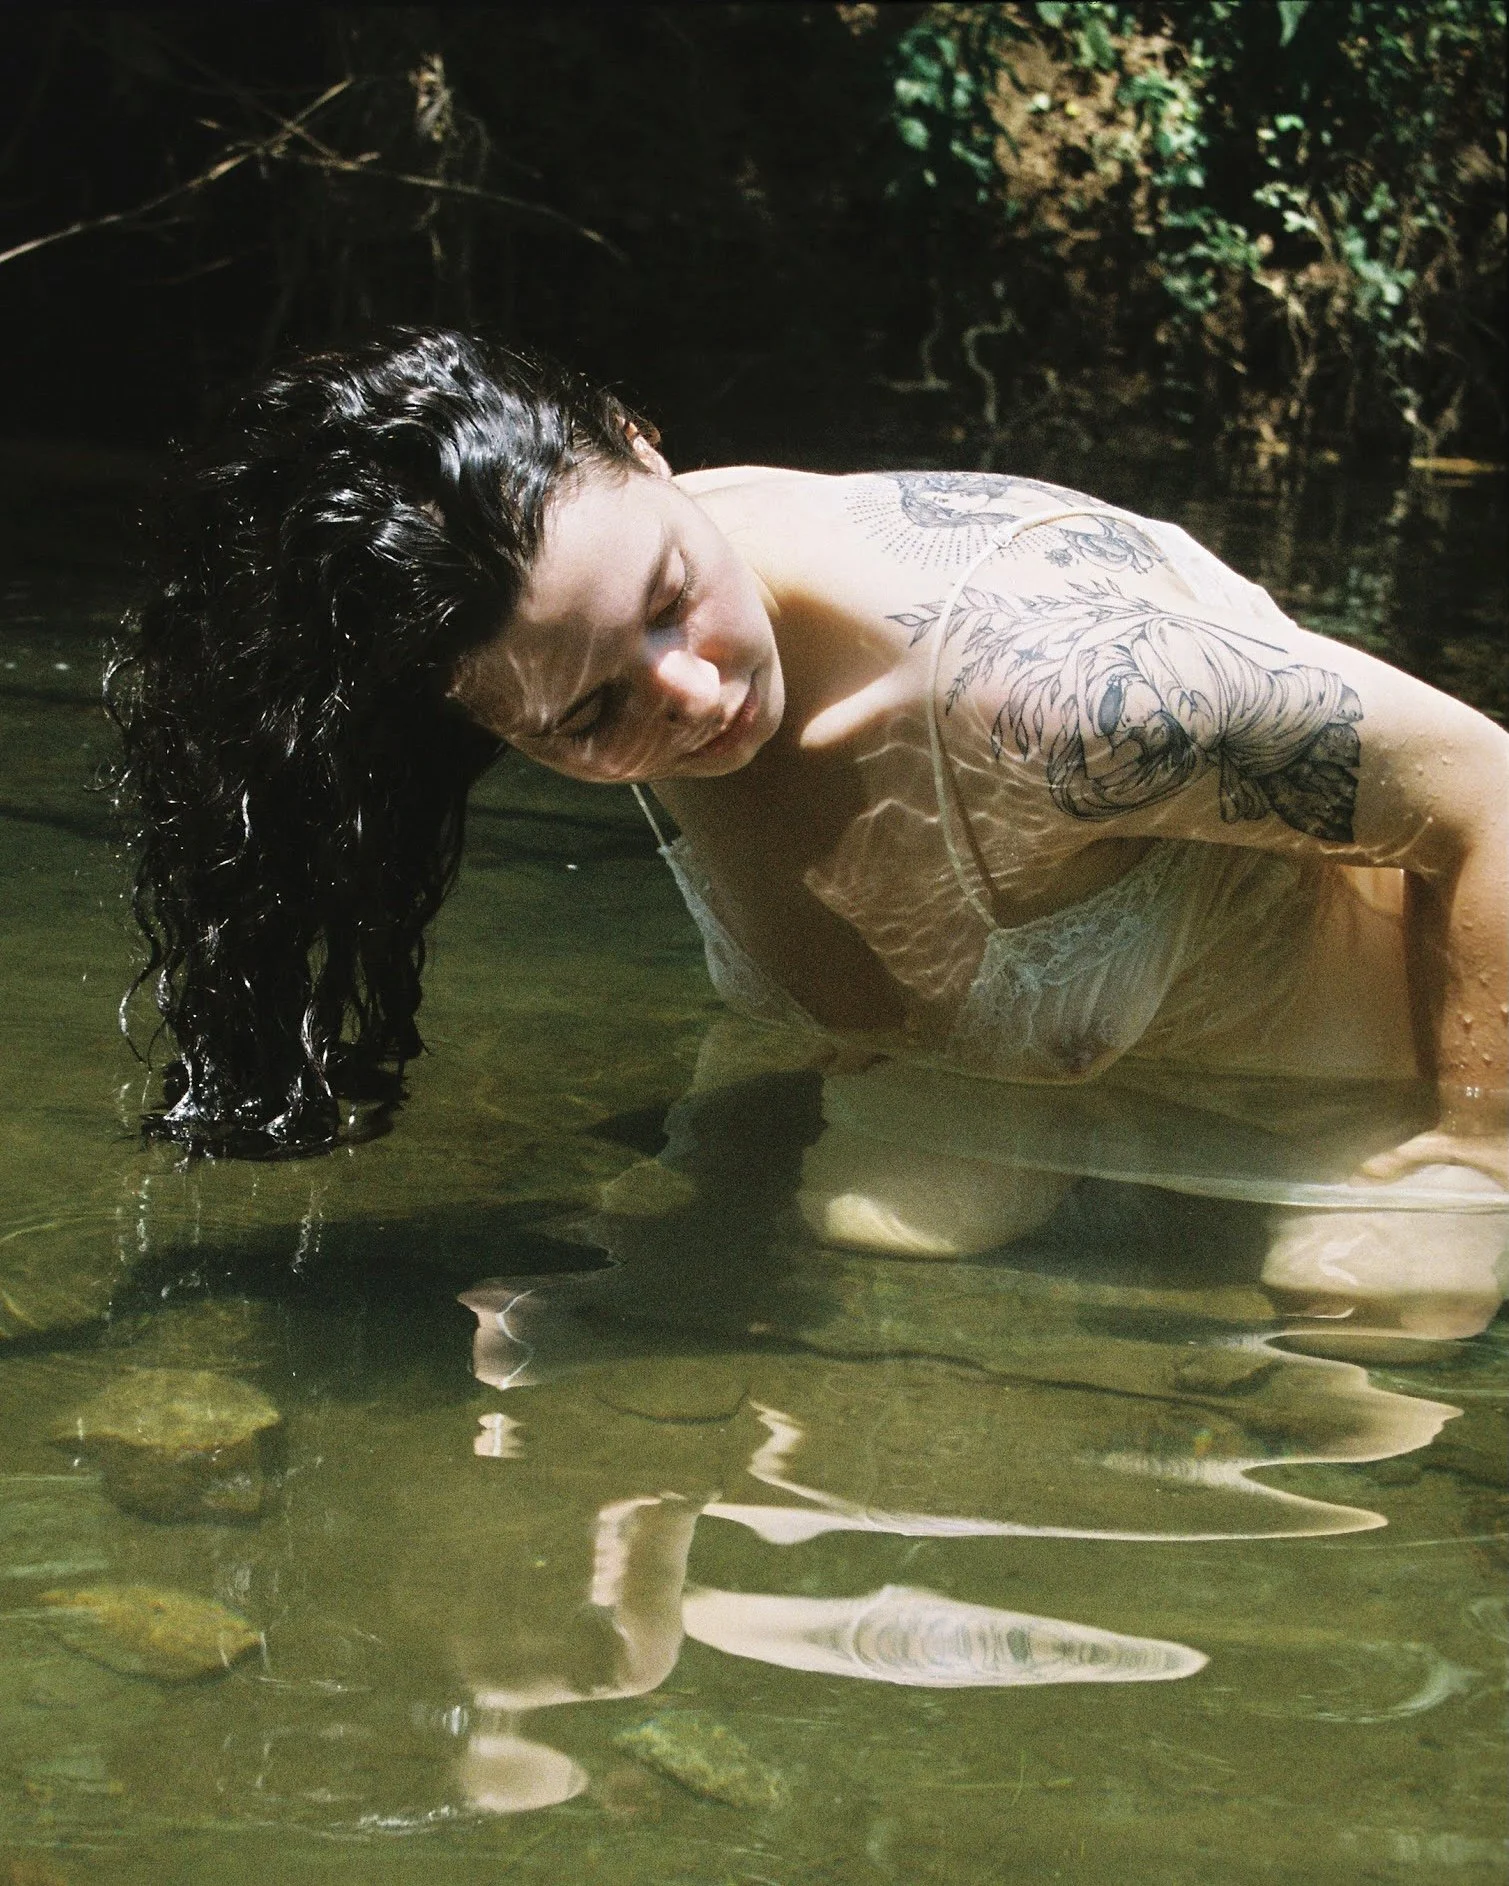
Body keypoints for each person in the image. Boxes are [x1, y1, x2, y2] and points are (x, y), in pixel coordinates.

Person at [110, 328, 1507, 1319]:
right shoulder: (557, 606)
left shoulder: (1057, 686)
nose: (696, 692)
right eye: (590, 721)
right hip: (1056, 1087)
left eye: (670, 597)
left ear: (645, 445)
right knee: (872, 1225)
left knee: (1362, 1308)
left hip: (1371, 1090)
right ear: (495, 730)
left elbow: (1486, 786)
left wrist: (1470, 1151)